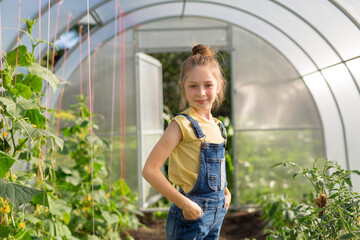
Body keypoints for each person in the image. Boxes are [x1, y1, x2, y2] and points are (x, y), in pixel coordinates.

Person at [142, 44, 231, 240]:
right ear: (183, 87)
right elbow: (150, 170)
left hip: (217, 214)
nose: (201, 92)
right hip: (191, 215)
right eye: (193, 86)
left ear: (219, 87)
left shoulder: (218, 126)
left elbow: (217, 168)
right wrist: (185, 204)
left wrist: (225, 191)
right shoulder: (181, 124)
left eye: (208, 85)